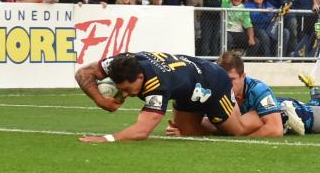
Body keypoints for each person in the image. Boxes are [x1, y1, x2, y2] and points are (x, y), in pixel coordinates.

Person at [76, 52, 260, 142]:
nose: (124, 95)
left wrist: (107, 138)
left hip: (213, 81)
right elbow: (82, 74)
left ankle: (271, 114)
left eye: (128, 89)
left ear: (140, 77)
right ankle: (212, 121)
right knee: (189, 133)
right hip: (187, 88)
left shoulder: (157, 86)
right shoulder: (119, 63)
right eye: (120, 89)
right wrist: (100, 101)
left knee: (236, 131)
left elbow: (142, 131)